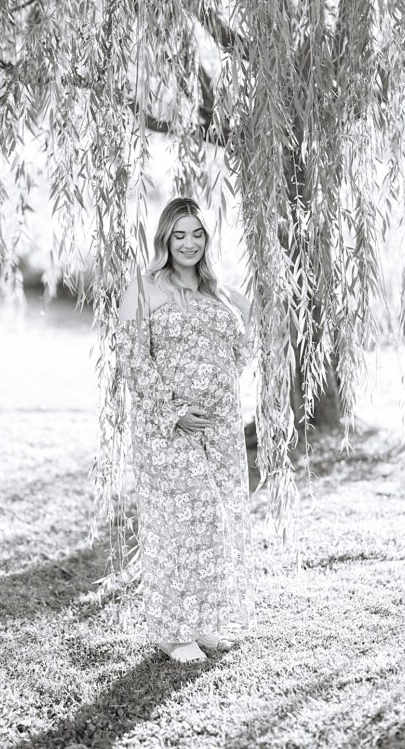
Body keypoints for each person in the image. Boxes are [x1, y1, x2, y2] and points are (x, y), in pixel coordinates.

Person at [115, 196, 254, 663]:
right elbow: (133, 358)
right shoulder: (142, 287)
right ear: (165, 239)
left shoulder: (220, 293)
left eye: (198, 233)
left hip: (218, 429)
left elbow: (241, 350)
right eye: (180, 234)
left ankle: (206, 624)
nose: (189, 243)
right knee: (179, 525)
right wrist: (172, 410)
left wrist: (217, 390)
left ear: (207, 239)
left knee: (216, 520)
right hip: (165, 429)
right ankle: (172, 631)